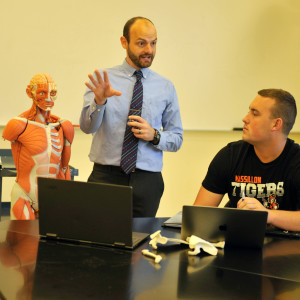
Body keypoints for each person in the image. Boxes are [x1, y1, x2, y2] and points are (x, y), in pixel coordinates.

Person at [80, 16, 183, 217]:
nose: (149, 50)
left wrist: (154, 135)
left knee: (140, 244)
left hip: (147, 182)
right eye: (141, 43)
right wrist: (99, 102)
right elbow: (87, 127)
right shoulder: (103, 80)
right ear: (124, 42)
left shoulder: (165, 87)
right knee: (99, 242)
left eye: (153, 43)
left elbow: (177, 139)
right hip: (106, 177)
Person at [194, 88, 300, 231]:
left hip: (286, 245)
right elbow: (198, 216)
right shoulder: (230, 155)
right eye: (249, 111)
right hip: (237, 240)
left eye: (254, 114)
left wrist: (267, 215)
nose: (245, 118)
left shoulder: (296, 161)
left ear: (275, 124)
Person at [2, 73, 74, 220]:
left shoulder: (63, 126)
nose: (48, 98)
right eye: (42, 93)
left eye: (52, 93)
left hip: (53, 195)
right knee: (24, 241)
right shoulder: (18, 125)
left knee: (52, 242)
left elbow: (64, 168)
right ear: (30, 93)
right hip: (25, 194)